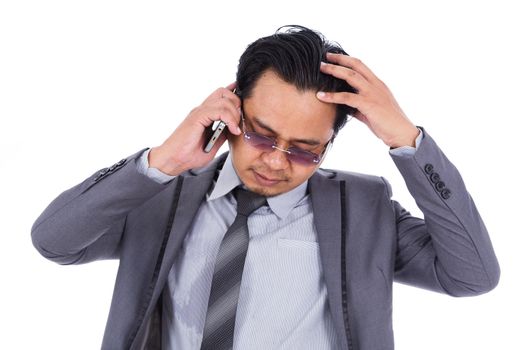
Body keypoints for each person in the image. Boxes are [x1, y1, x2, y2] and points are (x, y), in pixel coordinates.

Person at [31, 25, 500, 350]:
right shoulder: (162, 195)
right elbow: (55, 241)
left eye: (304, 149)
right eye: (260, 134)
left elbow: (472, 275)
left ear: (330, 144)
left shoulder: (364, 209)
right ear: (231, 110)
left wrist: (407, 140)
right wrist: (162, 161)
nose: (276, 161)